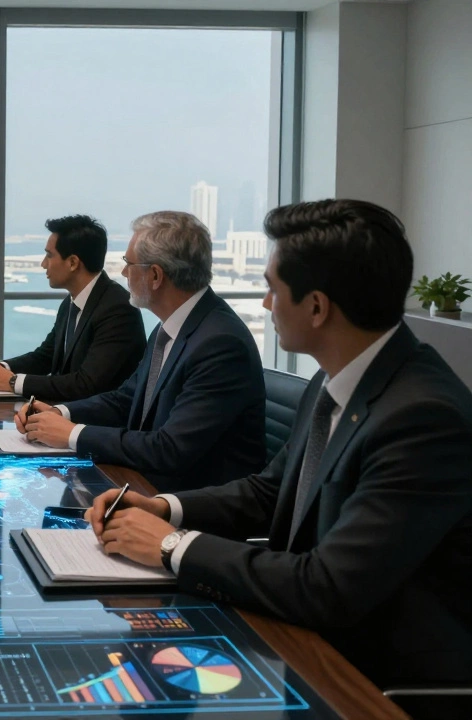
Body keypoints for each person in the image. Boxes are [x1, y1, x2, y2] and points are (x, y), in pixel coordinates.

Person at [84, 199, 472, 710]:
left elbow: (328, 588)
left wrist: (171, 544)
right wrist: (165, 508)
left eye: (272, 287)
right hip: (297, 634)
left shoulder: (422, 417)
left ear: (316, 307)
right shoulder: (336, 378)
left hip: (369, 682)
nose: (265, 303)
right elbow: (269, 490)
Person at [17, 211, 265, 491]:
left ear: (156, 275)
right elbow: (126, 398)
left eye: (129, 264)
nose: (123, 273)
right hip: (143, 483)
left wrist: (73, 434)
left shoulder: (220, 343)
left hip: (186, 505)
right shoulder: (171, 328)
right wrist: (59, 413)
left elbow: (170, 449)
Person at [0, 215, 145, 401]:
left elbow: (87, 384)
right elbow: (45, 357)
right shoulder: (72, 303)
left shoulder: (117, 308)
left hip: (100, 425)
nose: (43, 264)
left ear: (73, 263)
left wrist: (12, 382)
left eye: (49, 255)